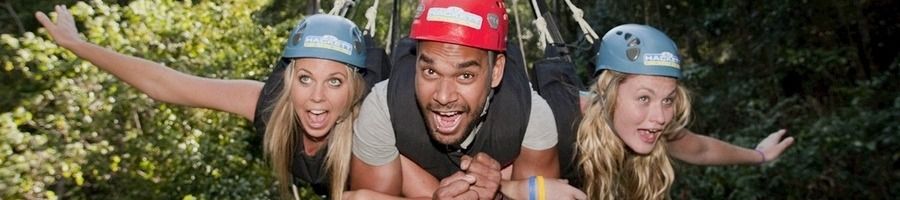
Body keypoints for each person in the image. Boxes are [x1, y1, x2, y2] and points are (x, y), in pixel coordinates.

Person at [36, 6, 372, 199]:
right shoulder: (268, 105)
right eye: (305, 78)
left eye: (334, 81)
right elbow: (165, 83)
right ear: (289, 81)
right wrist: (77, 45)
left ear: (353, 90)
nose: (316, 96)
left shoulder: (370, 130)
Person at [346, 0, 577, 199]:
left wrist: (499, 191)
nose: (443, 97)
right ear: (416, 63)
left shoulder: (531, 117)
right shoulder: (383, 107)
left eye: (465, 76)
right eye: (430, 72)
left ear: (496, 72)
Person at [570, 24, 794, 199]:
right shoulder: (559, 117)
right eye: (644, 98)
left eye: (668, 100)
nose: (660, 118)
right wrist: (534, 190)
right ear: (607, 91)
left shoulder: (643, 128)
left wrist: (760, 156)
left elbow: (701, 149)